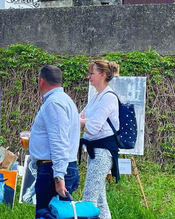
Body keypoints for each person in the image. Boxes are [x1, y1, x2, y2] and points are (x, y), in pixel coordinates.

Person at [29, 65, 80, 218]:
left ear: (41, 81)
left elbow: (59, 142)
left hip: (53, 169)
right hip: (59, 167)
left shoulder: (53, 103)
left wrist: (59, 177)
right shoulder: (64, 99)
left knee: (46, 214)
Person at [79, 61, 120, 219]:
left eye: (92, 73)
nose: (88, 77)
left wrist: (84, 122)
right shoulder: (97, 96)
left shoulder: (108, 98)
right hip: (95, 152)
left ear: (103, 75)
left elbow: (93, 127)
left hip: (103, 153)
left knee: (89, 200)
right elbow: (81, 119)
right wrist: (85, 122)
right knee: (101, 202)